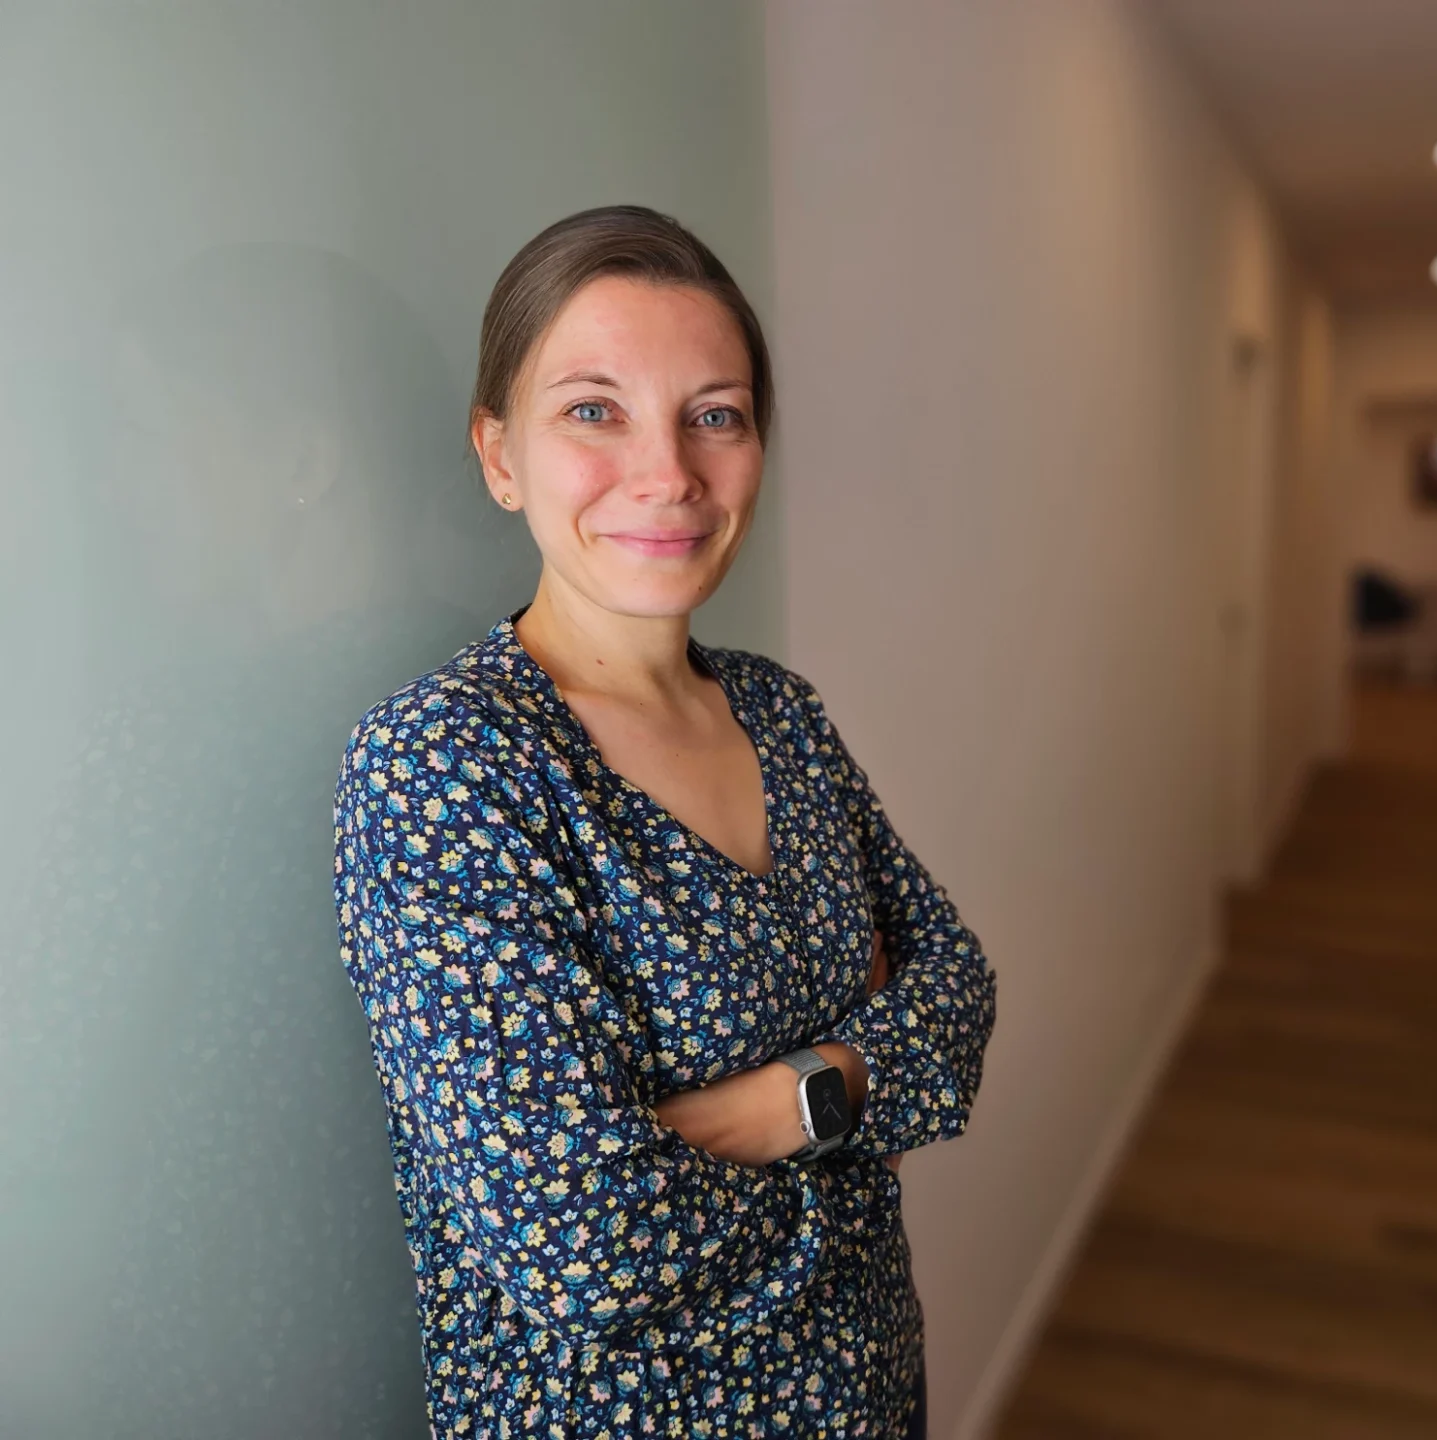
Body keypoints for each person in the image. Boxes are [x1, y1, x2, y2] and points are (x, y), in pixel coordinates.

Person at [333, 205, 996, 1440]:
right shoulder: (448, 767)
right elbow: (576, 1242)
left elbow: (957, 992)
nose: (671, 473)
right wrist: (863, 1117)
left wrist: (777, 1109)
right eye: (595, 409)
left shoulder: (779, 712)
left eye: (717, 414)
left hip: (874, 1392)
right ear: (498, 454)